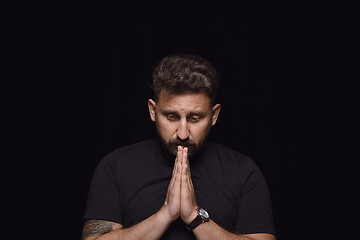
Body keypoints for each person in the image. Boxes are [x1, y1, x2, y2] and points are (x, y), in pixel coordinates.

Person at [82, 54, 276, 240]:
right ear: (153, 111)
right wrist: (166, 214)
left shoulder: (243, 172)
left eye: (194, 118)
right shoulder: (116, 167)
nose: (183, 134)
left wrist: (194, 217)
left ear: (214, 115)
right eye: (172, 117)